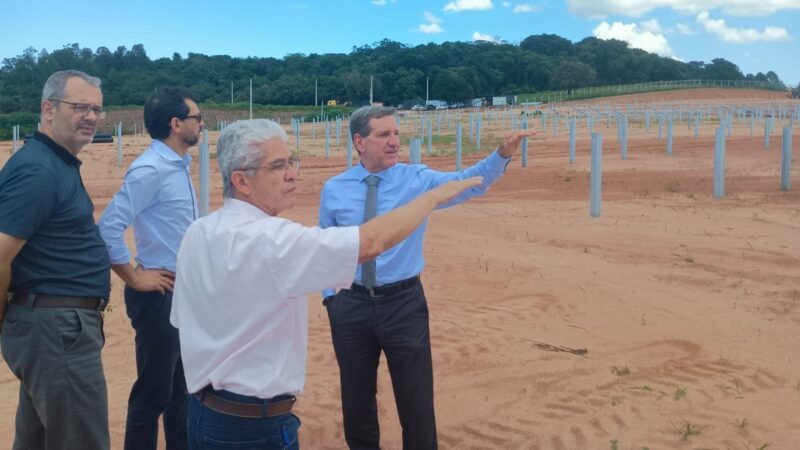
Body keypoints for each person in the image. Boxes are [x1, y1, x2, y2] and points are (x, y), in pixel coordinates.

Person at [169, 119, 481, 450]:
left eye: (291, 162)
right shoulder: (273, 241)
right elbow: (370, 242)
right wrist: (430, 198)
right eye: (278, 166)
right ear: (241, 181)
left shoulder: (197, 232)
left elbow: (182, 320)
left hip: (202, 414)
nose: (292, 173)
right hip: (254, 427)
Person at [318, 105, 536, 449]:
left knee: (416, 399)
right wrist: (331, 298)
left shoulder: (417, 180)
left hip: (403, 305)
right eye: (384, 134)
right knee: (356, 398)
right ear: (360, 142)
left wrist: (501, 154)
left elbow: (469, 183)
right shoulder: (334, 189)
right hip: (351, 306)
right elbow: (326, 246)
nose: (394, 142)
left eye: (396, 134)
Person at [0, 70, 111, 450]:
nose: (92, 117)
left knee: (38, 439)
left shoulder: (55, 163)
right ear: (48, 108)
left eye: (97, 109)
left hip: (53, 328)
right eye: (80, 106)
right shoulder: (38, 170)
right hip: (55, 329)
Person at [98, 86, 203, 450]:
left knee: (181, 392)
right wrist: (134, 277)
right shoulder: (150, 170)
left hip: (181, 291)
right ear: (177, 123)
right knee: (153, 394)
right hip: (159, 293)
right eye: (197, 117)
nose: (201, 124)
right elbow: (109, 227)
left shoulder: (178, 165)